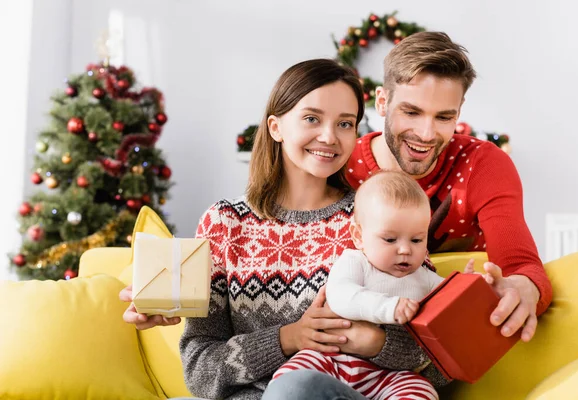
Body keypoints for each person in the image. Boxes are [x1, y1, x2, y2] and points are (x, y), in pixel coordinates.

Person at [121, 58, 448, 400]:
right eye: (311, 118)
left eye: (345, 124)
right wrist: (288, 338)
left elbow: (442, 364)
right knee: (296, 387)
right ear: (276, 127)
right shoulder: (226, 224)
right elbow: (202, 371)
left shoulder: (376, 219)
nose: (329, 136)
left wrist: (375, 343)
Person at [345, 31, 552, 343]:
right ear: (382, 102)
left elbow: (522, 265)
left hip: (460, 337)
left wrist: (524, 286)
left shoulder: (483, 164)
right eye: (411, 112)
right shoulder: (342, 166)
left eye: (444, 117)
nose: (426, 134)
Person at [270, 170, 444, 400]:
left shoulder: (425, 277)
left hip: (393, 374)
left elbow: (452, 303)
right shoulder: (355, 262)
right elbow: (342, 297)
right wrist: (389, 308)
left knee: (422, 391)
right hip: (332, 360)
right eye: (390, 239)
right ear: (359, 236)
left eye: (417, 240)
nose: (405, 250)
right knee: (292, 378)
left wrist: (472, 286)